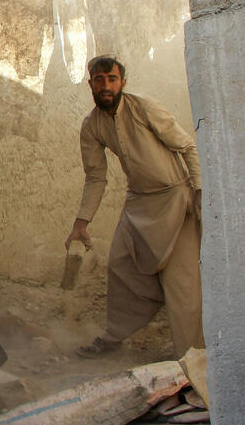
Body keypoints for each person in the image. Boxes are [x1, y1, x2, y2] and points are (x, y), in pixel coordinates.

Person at [65, 55, 205, 358]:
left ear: (122, 83)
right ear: (90, 84)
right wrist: (81, 224)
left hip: (175, 200)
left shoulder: (144, 108)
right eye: (99, 80)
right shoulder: (91, 125)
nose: (106, 86)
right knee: (120, 265)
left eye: (112, 79)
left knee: (182, 284)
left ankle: (192, 359)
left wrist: (199, 190)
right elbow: (95, 178)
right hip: (138, 202)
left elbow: (187, 146)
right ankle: (113, 337)